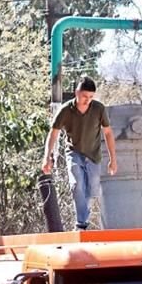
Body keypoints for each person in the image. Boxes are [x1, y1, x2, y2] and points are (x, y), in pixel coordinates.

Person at [42, 76, 118, 230]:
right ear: (77, 92)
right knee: (77, 184)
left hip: (93, 155)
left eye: (91, 97)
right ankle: (81, 224)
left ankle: (83, 218)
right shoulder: (65, 110)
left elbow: (108, 133)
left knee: (92, 191)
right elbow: (53, 133)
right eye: (84, 96)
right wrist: (47, 157)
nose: (87, 100)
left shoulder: (99, 109)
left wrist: (113, 159)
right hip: (74, 152)